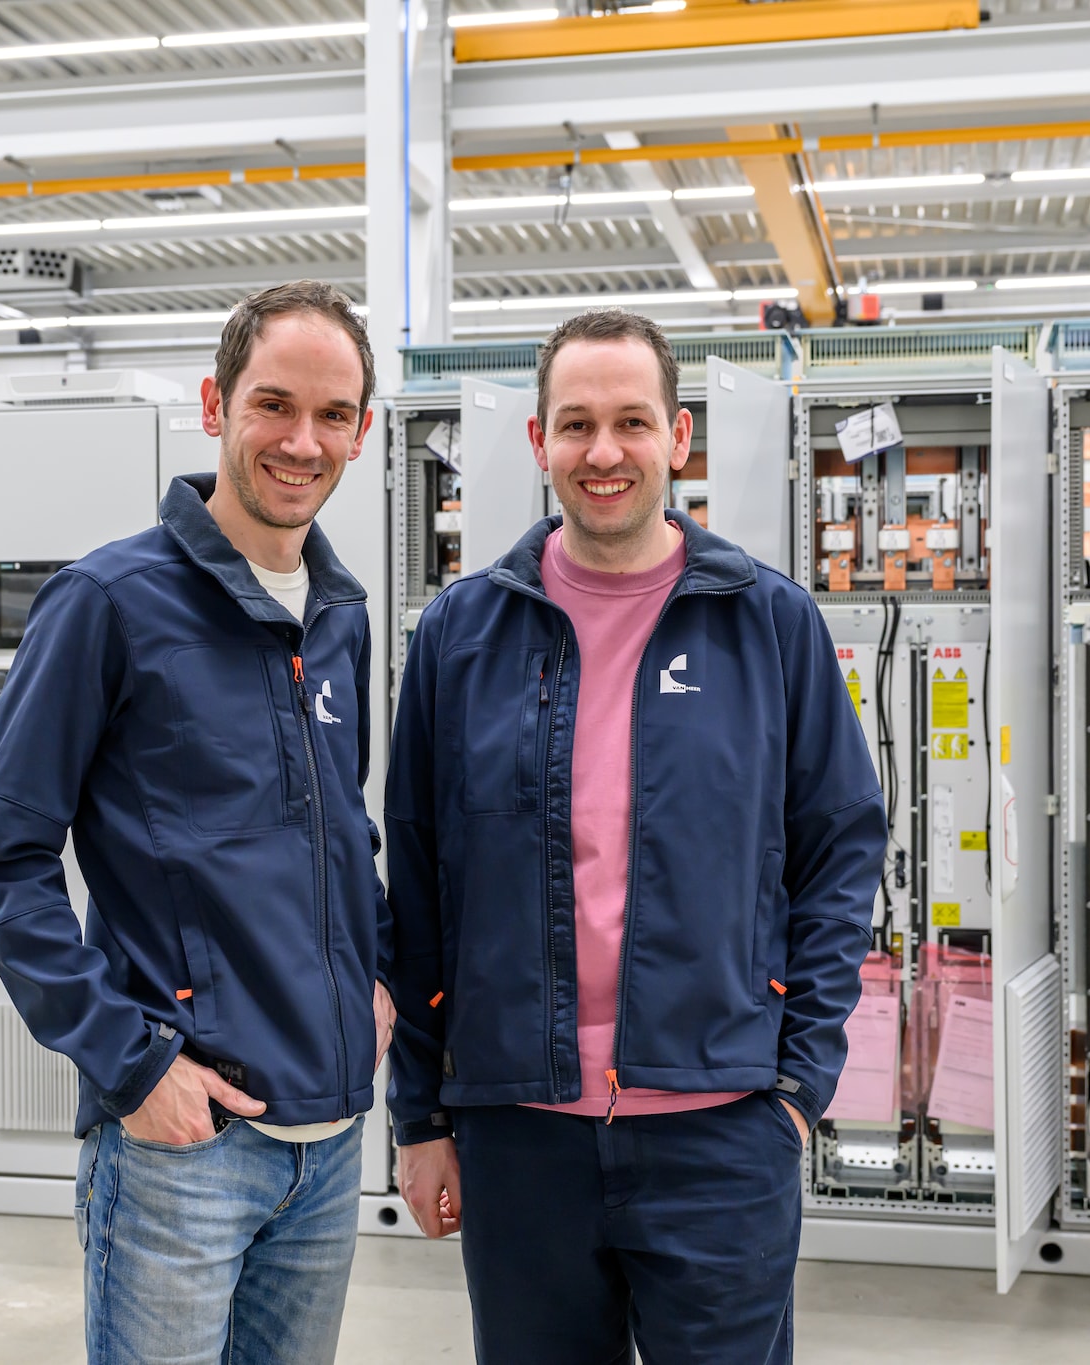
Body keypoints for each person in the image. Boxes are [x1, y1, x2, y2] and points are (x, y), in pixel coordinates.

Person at [384, 308, 885, 1363]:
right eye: (573, 426)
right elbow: (419, 891)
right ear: (537, 443)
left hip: (718, 1126)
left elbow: (839, 852)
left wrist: (794, 1088)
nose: (601, 454)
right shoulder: (459, 634)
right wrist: (422, 1118)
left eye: (629, 423)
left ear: (678, 437)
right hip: (519, 1131)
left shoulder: (767, 623)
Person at [0, 280, 395, 1365]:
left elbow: (342, 834)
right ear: (215, 404)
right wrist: (130, 1063)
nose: (301, 441)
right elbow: (3, 861)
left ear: (361, 430)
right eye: (273, 405)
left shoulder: (341, 618)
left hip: (330, 1139)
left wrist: (374, 987)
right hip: (181, 1147)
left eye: (331, 414)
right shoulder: (107, 604)